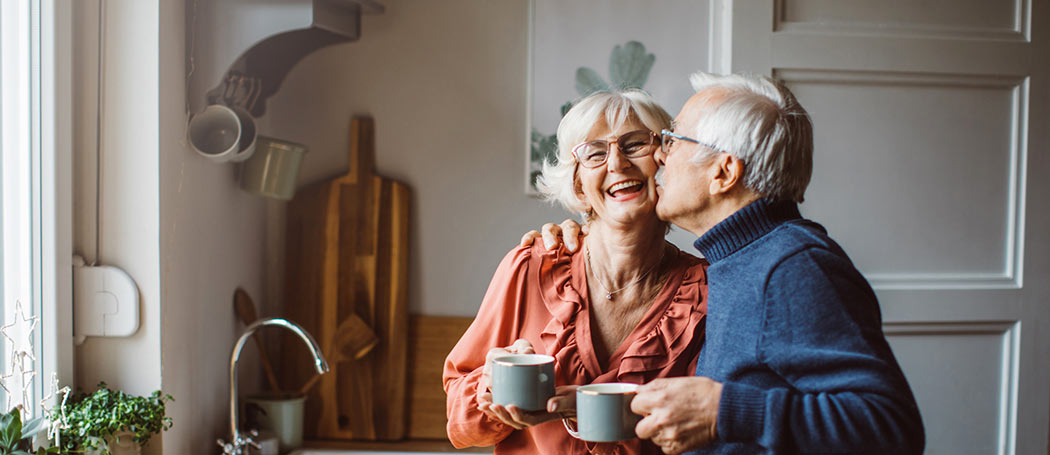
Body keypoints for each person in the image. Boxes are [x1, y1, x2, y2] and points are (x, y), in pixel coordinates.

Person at [527, 72, 925, 454]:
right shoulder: (739, 260)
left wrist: (723, 412)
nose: (660, 156)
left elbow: (891, 428)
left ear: (723, 172)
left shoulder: (793, 268)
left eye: (672, 140)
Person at [443, 89, 710, 455]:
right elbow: (461, 422)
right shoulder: (530, 266)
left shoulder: (707, 291)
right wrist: (487, 390)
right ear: (578, 185)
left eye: (634, 145)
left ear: (665, 164)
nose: (616, 164)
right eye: (595, 153)